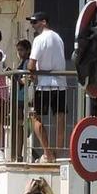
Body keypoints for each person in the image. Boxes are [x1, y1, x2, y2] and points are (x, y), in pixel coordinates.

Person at [25, 12, 67, 160]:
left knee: (35, 117)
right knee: (60, 119)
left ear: (43, 22)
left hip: (44, 85)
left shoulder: (39, 39)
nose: (33, 25)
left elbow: (31, 64)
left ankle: (48, 152)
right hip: (61, 84)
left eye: (35, 22)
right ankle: (58, 153)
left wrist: (31, 75)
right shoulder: (58, 38)